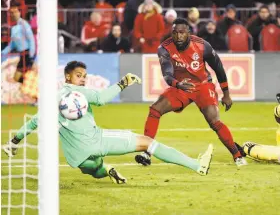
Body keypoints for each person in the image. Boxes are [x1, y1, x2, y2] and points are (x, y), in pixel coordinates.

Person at [3, 61, 213, 184]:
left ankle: (108, 170)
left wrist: (14, 141)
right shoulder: (79, 92)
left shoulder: (52, 99)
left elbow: (33, 122)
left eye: (84, 76)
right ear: (67, 77)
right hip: (97, 141)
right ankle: (197, 165)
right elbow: (102, 98)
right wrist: (124, 82)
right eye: (78, 76)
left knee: (94, 169)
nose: (83, 79)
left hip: (76, 157)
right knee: (148, 142)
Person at [135, 18, 247, 167]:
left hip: (203, 86)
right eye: (175, 33)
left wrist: (226, 93)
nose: (178, 36)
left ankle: (237, 155)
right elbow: (167, 74)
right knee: (155, 109)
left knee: (214, 121)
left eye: (182, 32)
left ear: (188, 32)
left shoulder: (202, 46)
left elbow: (218, 68)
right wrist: (178, 84)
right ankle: (146, 152)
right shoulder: (164, 48)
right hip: (181, 87)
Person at [1, 2, 36, 83]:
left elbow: (31, 40)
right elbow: (12, 44)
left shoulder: (24, 24)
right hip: (22, 54)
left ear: (20, 13)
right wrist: (3, 52)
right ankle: (30, 89)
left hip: (27, 54)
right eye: (11, 12)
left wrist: (31, 56)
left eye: (15, 12)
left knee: (22, 77)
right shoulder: (13, 28)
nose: (13, 14)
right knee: (19, 78)